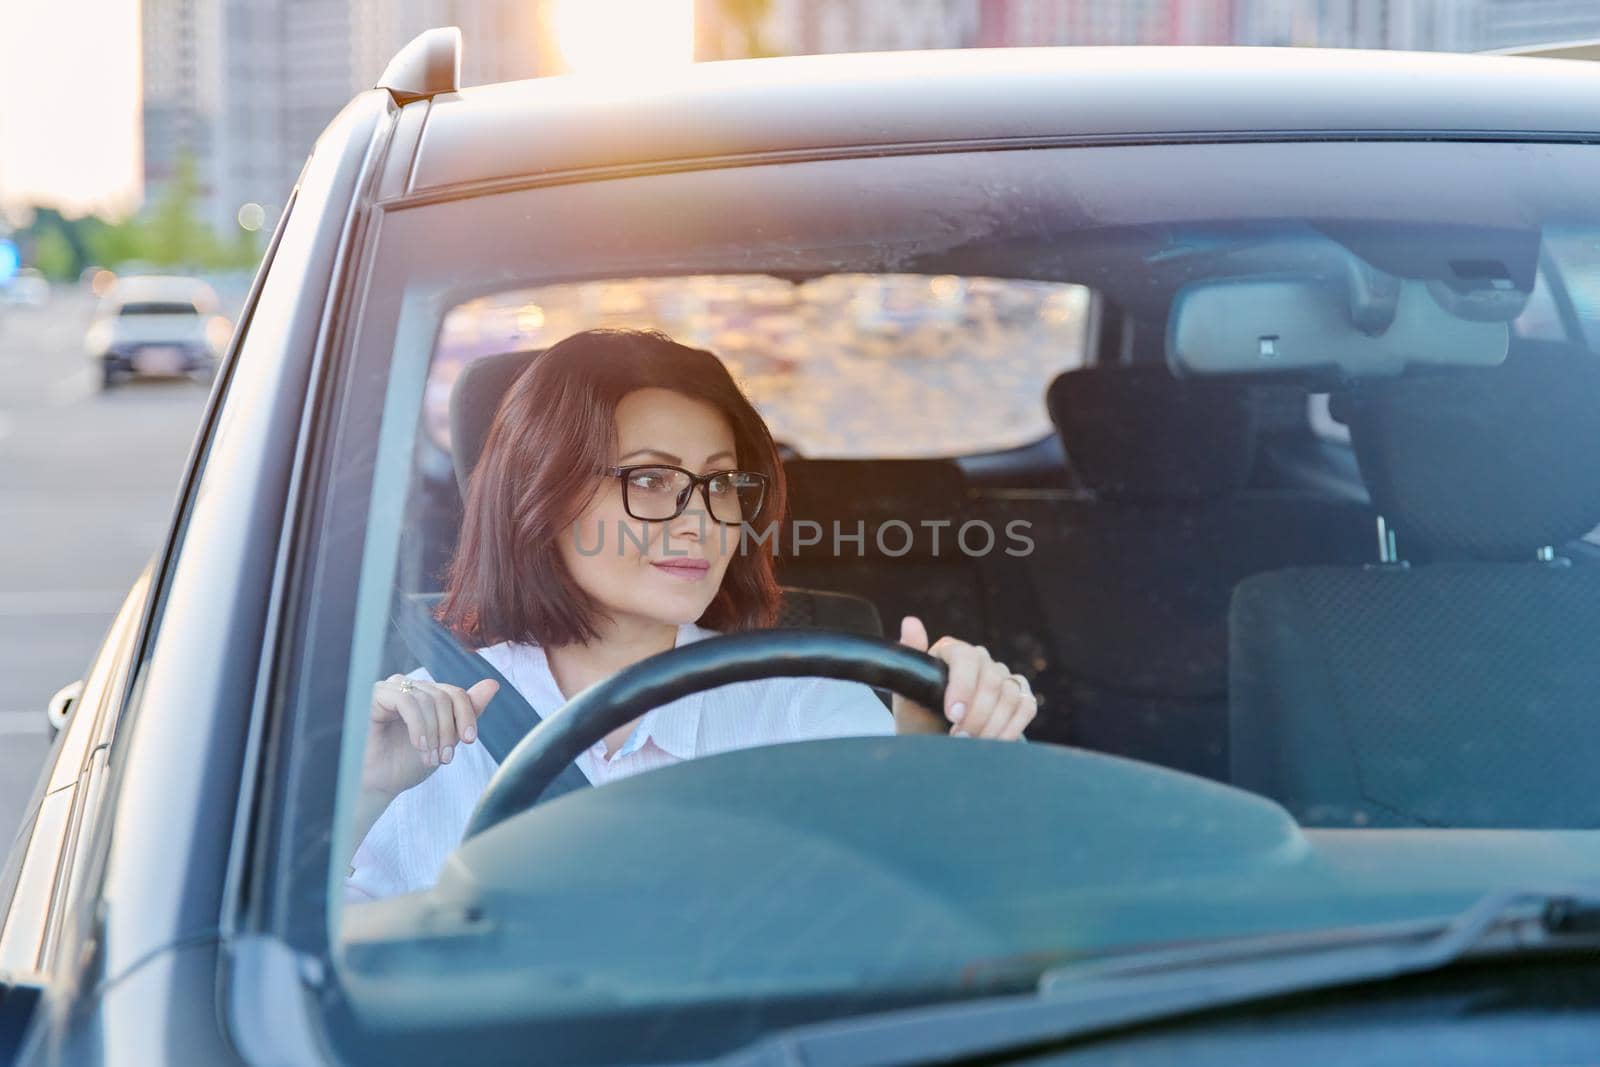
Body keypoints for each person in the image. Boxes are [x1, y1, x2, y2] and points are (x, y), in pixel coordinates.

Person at [346, 329, 1036, 900]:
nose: (701, 520)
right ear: (541, 495)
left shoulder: (804, 704)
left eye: (722, 483)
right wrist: (365, 794)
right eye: (650, 479)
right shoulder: (428, 729)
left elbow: (912, 915)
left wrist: (933, 758)